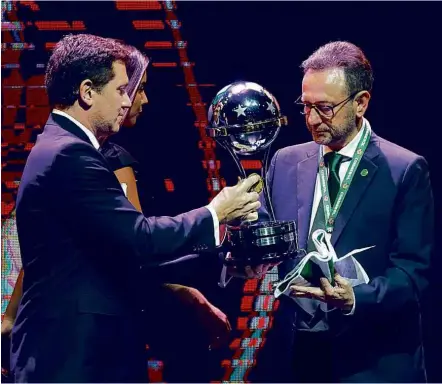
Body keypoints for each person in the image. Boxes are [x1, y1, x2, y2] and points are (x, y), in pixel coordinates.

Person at [10, 33, 261, 383]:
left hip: (82, 351)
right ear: (87, 92)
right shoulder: (70, 155)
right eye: (119, 89)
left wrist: (219, 257)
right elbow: (138, 239)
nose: (127, 102)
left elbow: (116, 252)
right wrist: (215, 212)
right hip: (74, 356)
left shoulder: (61, 148)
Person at [250, 41, 434, 382]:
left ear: (361, 102)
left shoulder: (404, 170)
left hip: (373, 360)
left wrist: (355, 298)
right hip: (300, 357)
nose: (312, 119)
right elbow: (266, 241)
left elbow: (415, 272)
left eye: (324, 107)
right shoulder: (285, 162)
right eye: (305, 106)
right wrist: (247, 255)